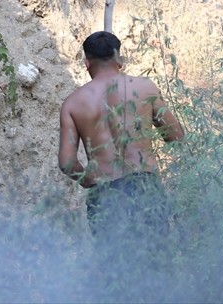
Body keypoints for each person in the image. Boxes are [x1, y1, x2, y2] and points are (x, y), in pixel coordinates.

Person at [58, 30, 185, 243]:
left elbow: (67, 162)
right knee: (155, 263)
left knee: (115, 269)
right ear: (119, 58)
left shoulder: (72, 103)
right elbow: (176, 136)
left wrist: (92, 182)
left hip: (104, 194)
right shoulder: (144, 88)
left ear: (87, 62)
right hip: (145, 188)